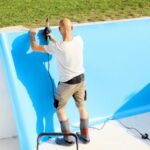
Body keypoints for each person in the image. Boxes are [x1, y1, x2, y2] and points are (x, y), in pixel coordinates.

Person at [30, 18, 90, 146]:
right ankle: (85, 136)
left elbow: (34, 47)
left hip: (67, 84)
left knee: (60, 108)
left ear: (59, 29)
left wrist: (32, 34)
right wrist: (52, 38)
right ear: (72, 27)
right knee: (81, 107)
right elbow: (65, 47)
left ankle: (67, 140)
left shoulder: (58, 47)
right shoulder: (79, 40)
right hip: (81, 81)